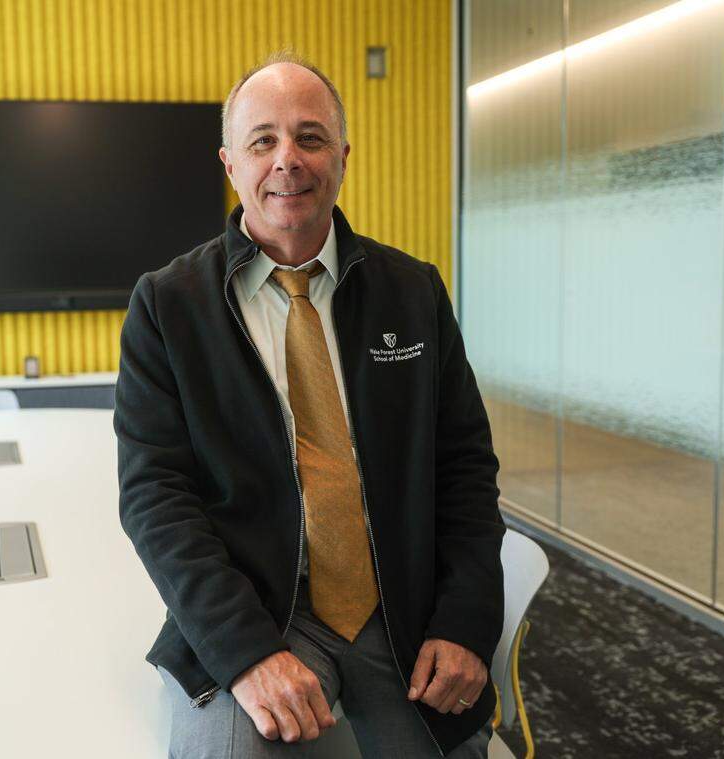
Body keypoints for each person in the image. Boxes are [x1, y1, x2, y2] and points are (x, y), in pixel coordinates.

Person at [115, 51, 505, 758]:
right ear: (230, 163)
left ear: (343, 158)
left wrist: (466, 621)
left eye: (310, 137)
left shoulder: (413, 293)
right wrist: (244, 652)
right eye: (263, 139)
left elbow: (466, 470)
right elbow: (155, 497)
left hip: (400, 606)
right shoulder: (168, 306)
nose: (287, 159)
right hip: (258, 609)